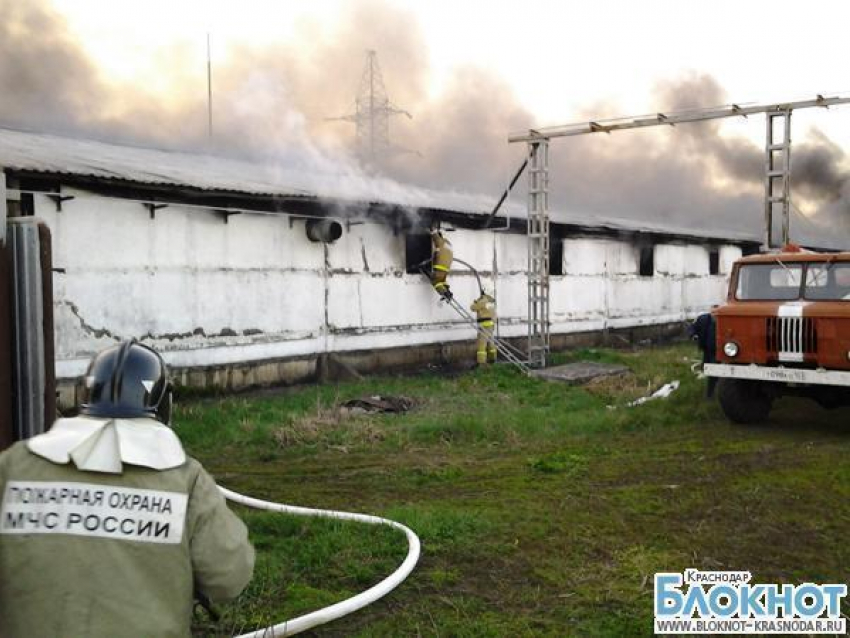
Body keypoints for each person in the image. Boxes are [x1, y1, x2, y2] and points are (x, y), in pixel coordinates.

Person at [0, 340, 255, 638]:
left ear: (85, 393)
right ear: (164, 403)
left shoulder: (14, 467)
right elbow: (230, 576)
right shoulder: (185, 479)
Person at [470, 292, 497, 365]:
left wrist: (476, 302)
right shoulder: (490, 301)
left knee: (482, 344)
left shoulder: (483, 301)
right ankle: (492, 359)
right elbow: (494, 314)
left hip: (484, 326)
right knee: (491, 342)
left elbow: (473, 308)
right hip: (491, 325)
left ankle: (481, 362)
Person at [430, 229, 453, 300]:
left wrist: (431, 229)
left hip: (439, 266)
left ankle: (445, 293)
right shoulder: (448, 244)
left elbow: (435, 235)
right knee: (442, 281)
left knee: (435, 281)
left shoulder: (440, 241)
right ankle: (447, 292)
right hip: (446, 268)